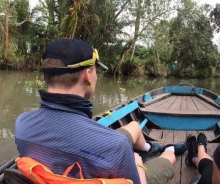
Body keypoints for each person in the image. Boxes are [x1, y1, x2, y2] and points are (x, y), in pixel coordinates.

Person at [14, 38, 187, 184]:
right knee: (167, 160)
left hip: (86, 155)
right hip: (112, 157)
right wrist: (138, 164)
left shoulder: (22, 124)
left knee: (134, 126)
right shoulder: (116, 146)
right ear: (87, 75)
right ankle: (168, 150)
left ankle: (150, 147)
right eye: (96, 70)